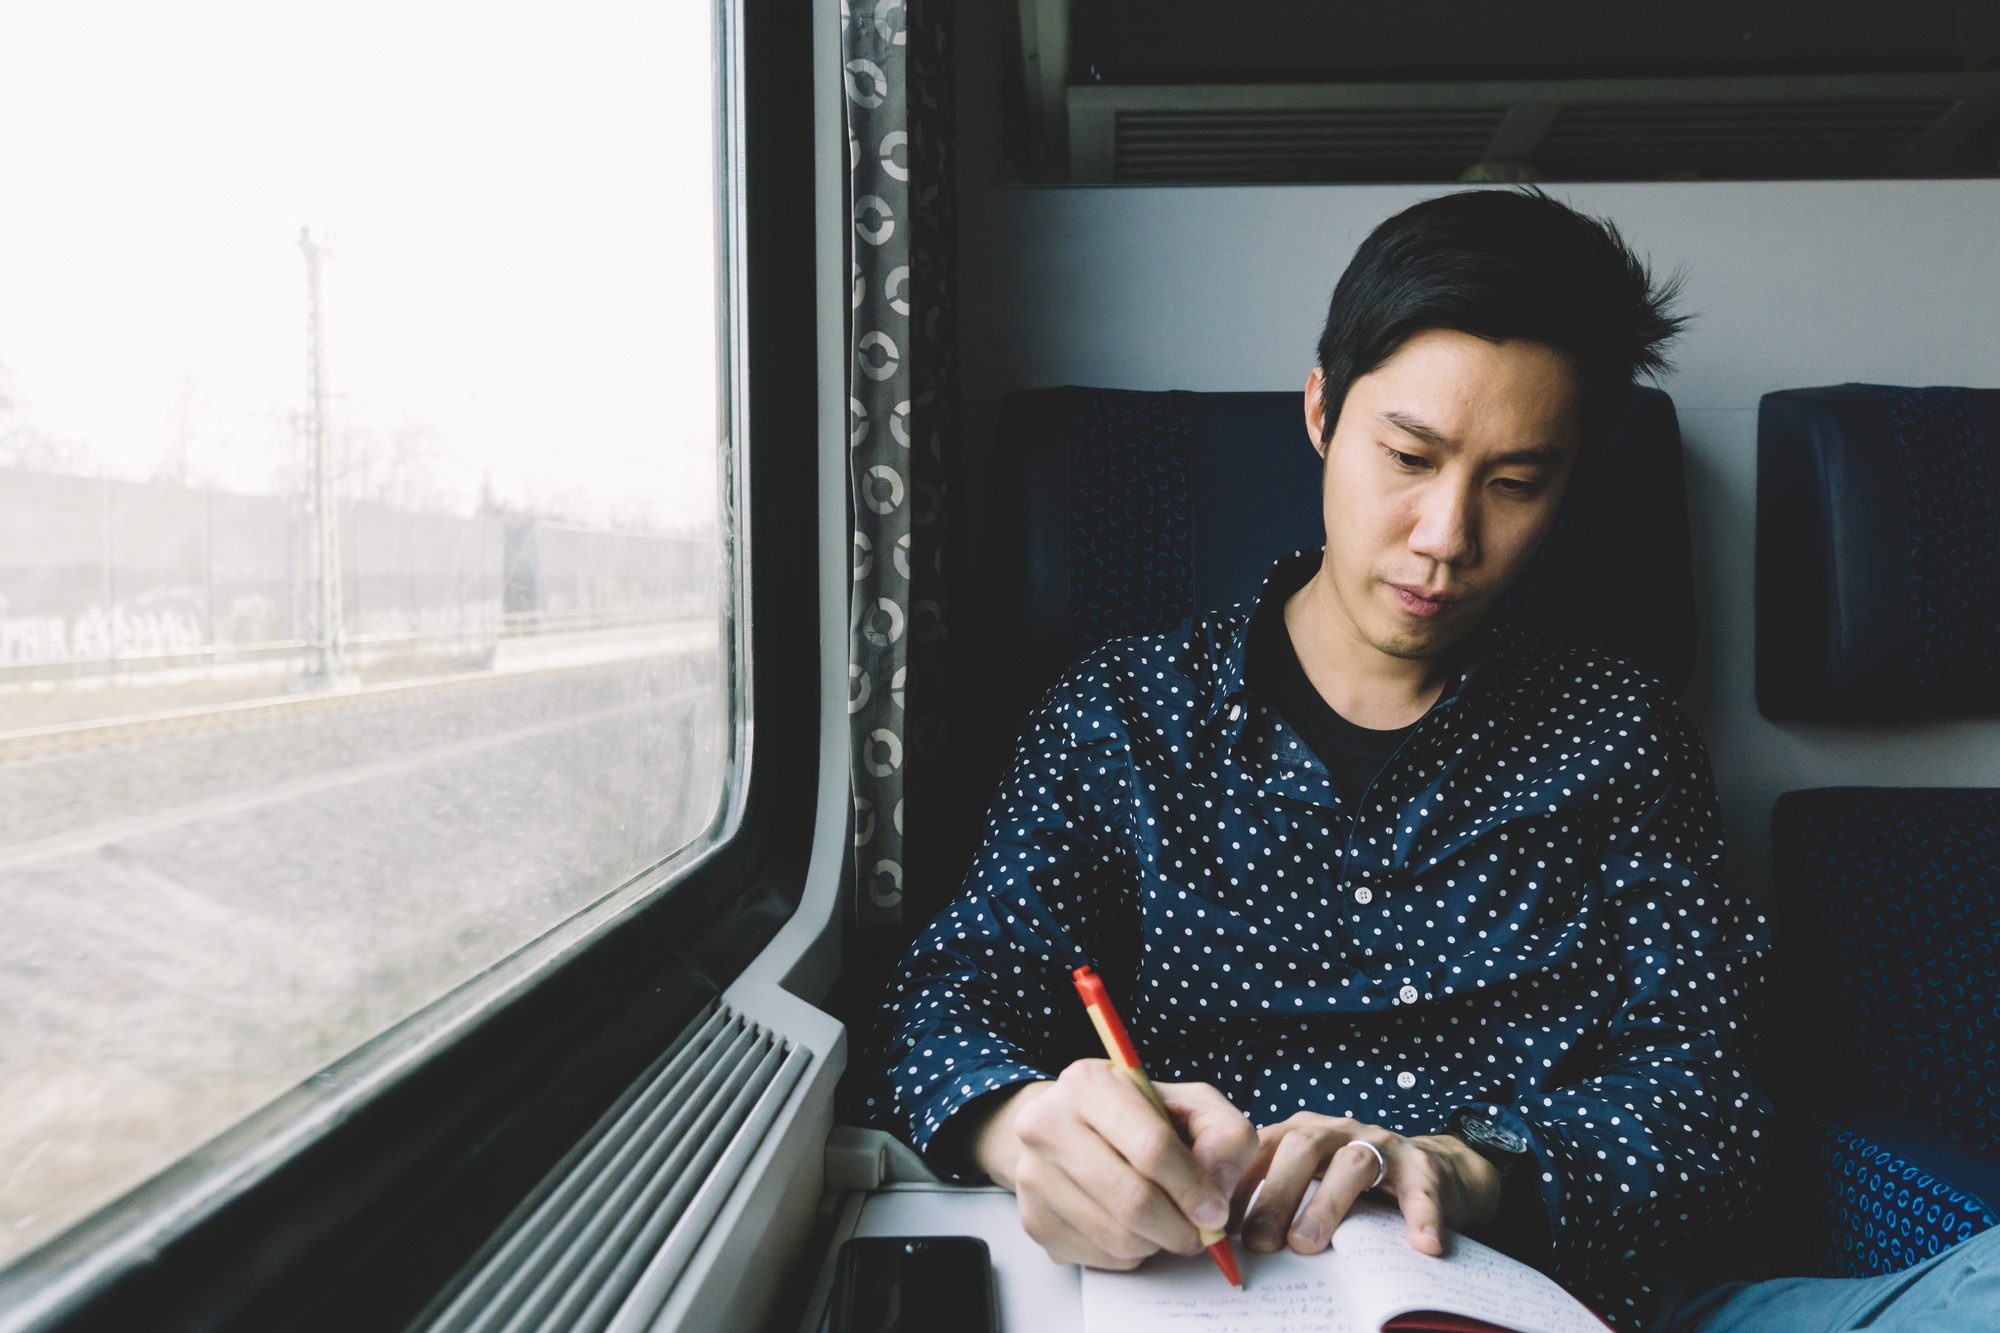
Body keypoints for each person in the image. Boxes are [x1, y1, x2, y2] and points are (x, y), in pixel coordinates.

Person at [867, 189, 2000, 1332]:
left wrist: (1477, 1167)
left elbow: (1709, 1102)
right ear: (1320, 411)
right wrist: (1022, 1127)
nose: (1446, 538)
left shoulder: (1618, 736)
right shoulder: (1119, 714)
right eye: (1407, 455)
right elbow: (944, 1001)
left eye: (1514, 485)